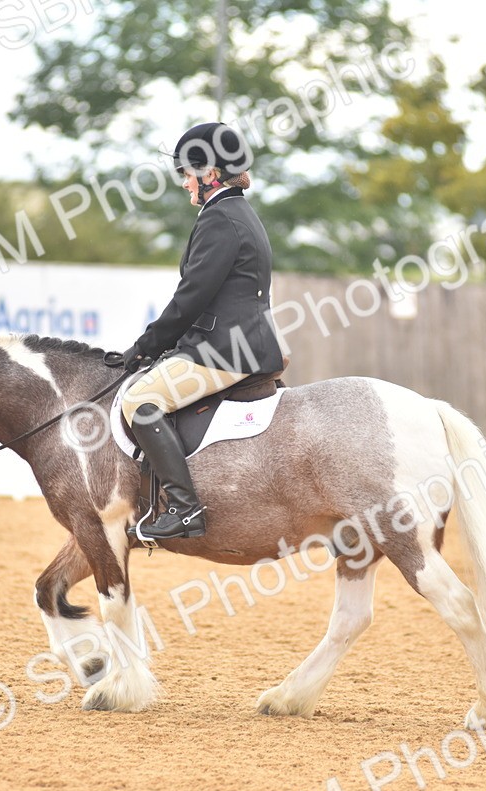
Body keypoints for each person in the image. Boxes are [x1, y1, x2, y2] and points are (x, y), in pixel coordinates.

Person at [119, 122, 284, 540]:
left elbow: (191, 296)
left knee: (140, 399)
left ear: (209, 174)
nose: (184, 183)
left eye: (186, 174)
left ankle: (185, 508)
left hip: (227, 350)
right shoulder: (238, 213)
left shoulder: (220, 219)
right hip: (239, 342)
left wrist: (143, 347)